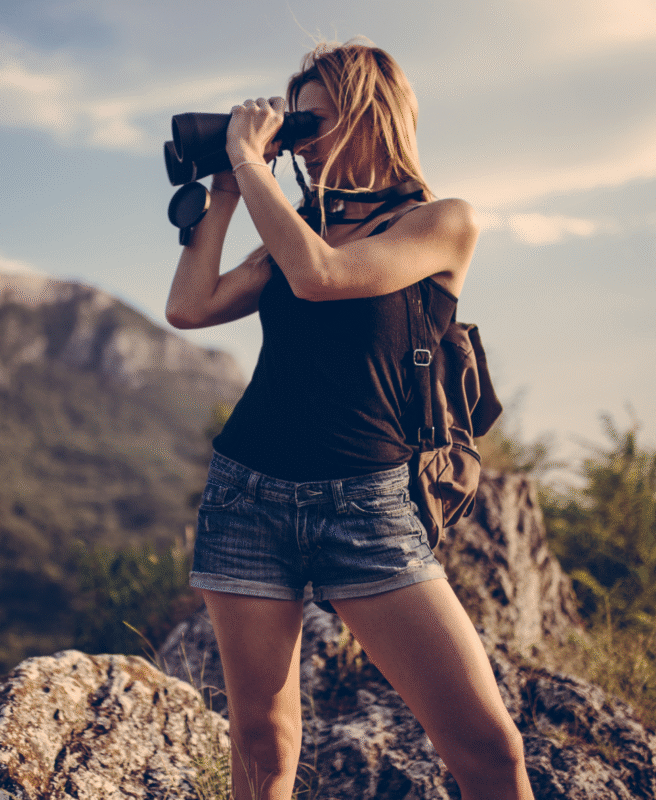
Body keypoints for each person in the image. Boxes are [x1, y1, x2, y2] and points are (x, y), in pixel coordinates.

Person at [165, 40, 534, 800]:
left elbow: (322, 277)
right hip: (248, 497)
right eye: (291, 124)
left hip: (367, 507)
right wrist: (232, 188)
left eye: (311, 121)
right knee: (264, 746)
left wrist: (246, 155)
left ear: (372, 116)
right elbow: (189, 307)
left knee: (489, 749)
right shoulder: (295, 223)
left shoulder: (439, 223)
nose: (298, 139)